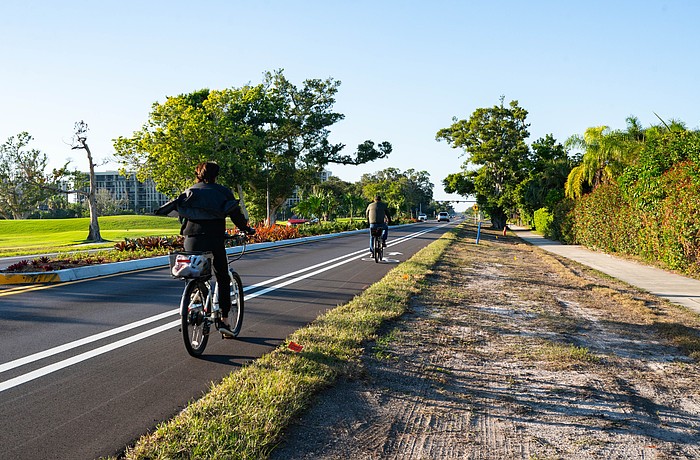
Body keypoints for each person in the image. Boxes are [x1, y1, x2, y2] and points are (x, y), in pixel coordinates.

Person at [156, 161, 255, 337]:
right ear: (216, 175)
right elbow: (236, 215)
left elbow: (181, 214)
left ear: (198, 174)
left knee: (193, 271)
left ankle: (195, 302)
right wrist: (247, 229)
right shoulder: (223, 192)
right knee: (223, 277)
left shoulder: (190, 191)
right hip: (214, 238)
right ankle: (224, 320)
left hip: (191, 238)